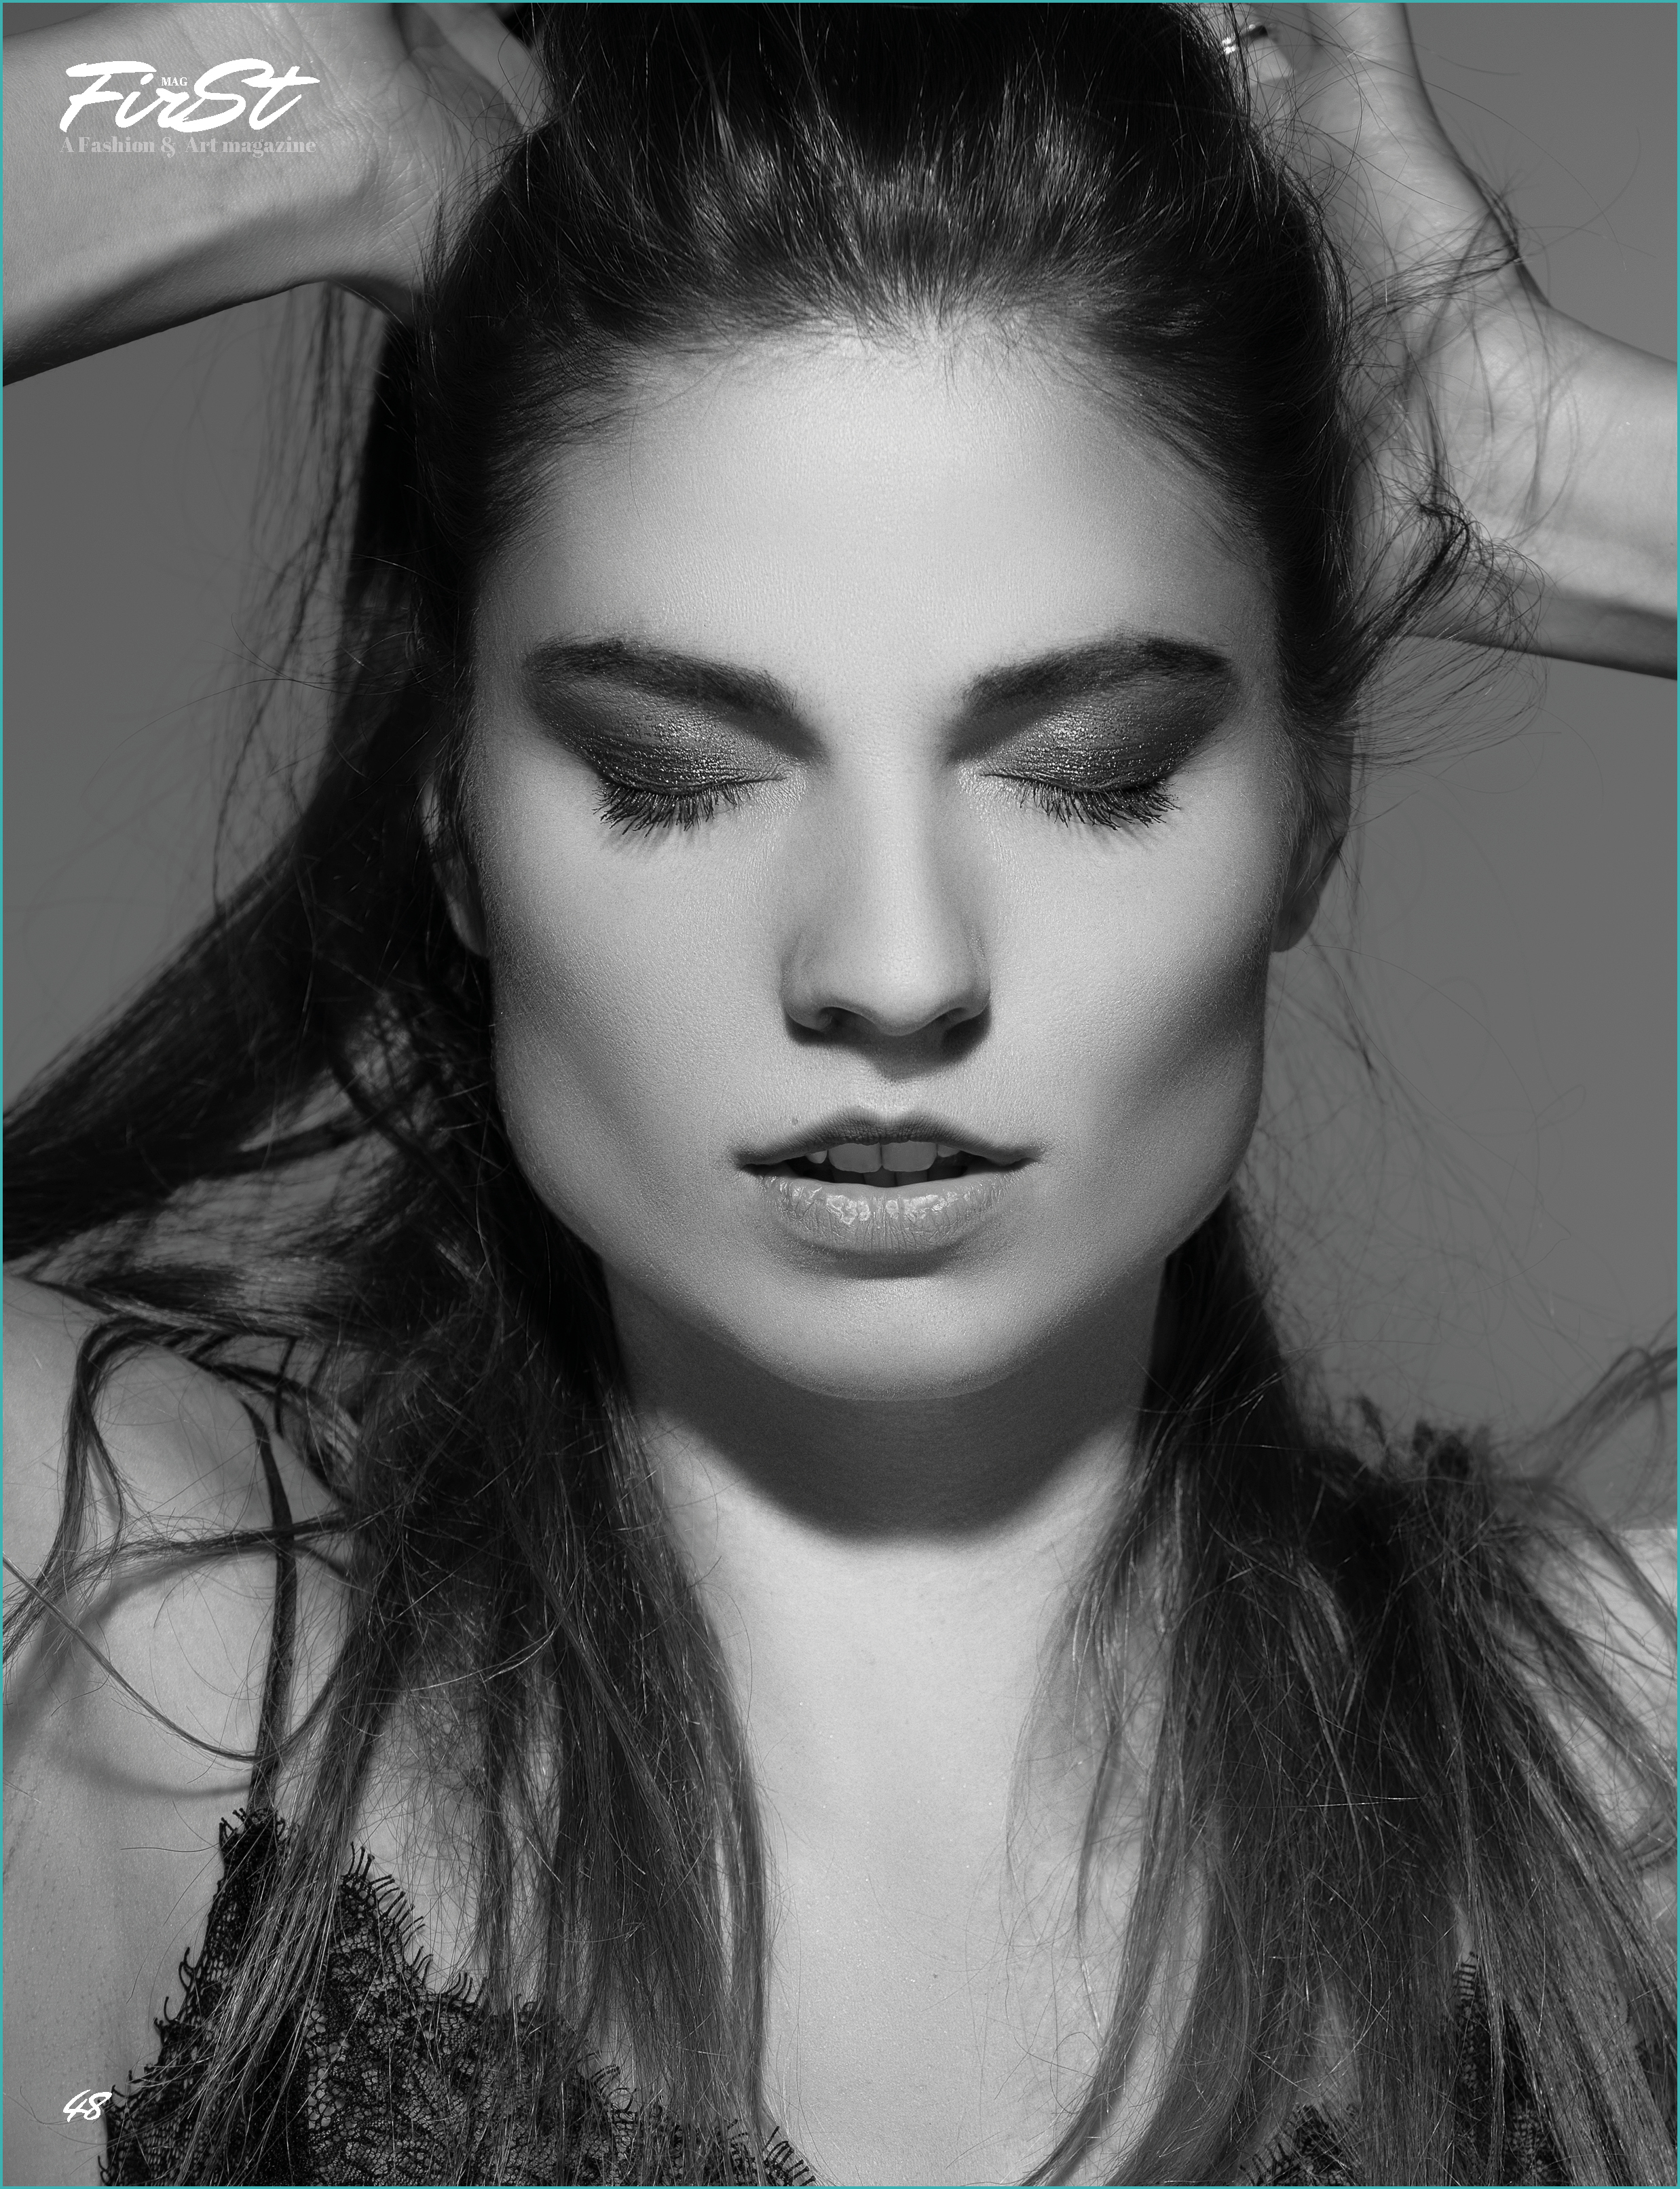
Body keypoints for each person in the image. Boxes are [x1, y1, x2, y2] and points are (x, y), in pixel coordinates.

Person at [3, 5, 1675, 2184]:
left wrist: (1529, 461)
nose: (889, 965)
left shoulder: (1606, 1789)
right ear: (455, 827)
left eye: (1089, 772)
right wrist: (239, 111)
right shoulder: (126, 1673)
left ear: (1302, 811)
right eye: (670, 773)